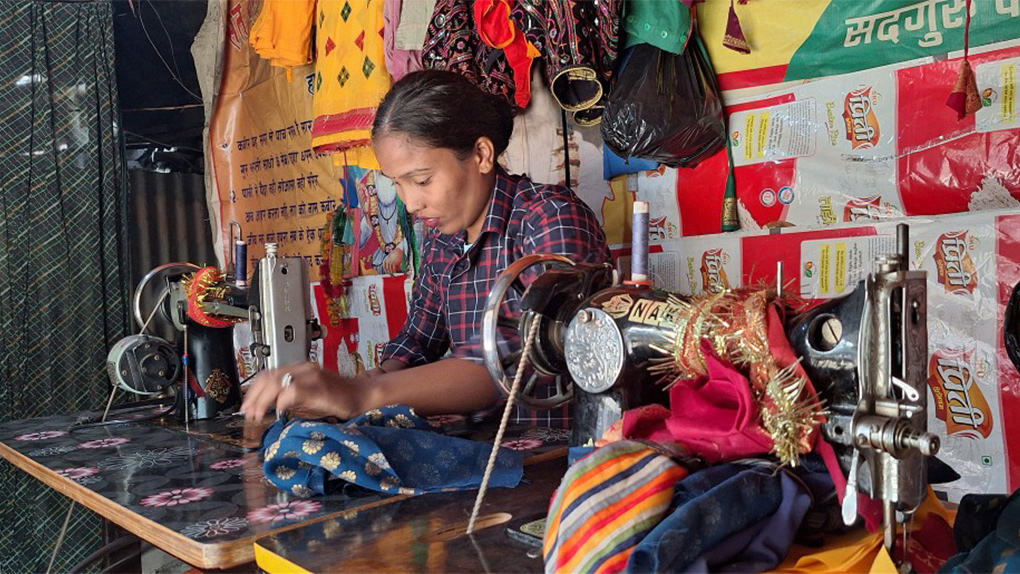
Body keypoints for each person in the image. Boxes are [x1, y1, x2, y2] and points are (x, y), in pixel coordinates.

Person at [242, 70, 610, 425]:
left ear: (481, 155)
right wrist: (372, 377)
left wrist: (363, 394)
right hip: (483, 451)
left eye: (421, 180)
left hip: (562, 455)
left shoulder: (550, 218)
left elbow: (517, 360)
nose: (411, 204)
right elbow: (419, 338)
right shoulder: (443, 240)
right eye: (397, 185)